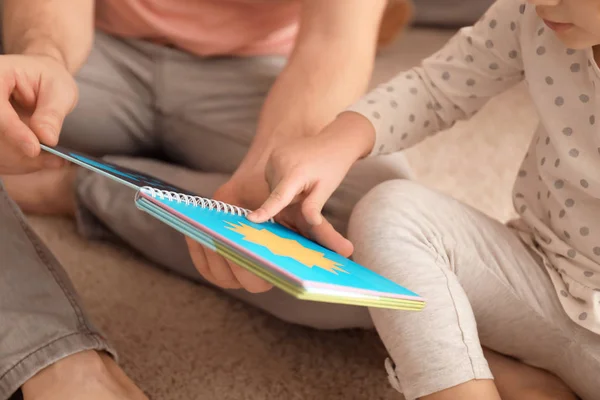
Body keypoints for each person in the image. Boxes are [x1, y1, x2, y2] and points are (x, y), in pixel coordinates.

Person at [0, 0, 420, 399]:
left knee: (392, 246)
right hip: (95, 52)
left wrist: (263, 175)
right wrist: (44, 56)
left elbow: (334, 38)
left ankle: (80, 188)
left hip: (258, 75)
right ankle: (56, 360)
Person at [246, 0, 600, 399]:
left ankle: (513, 372)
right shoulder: (532, 14)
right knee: (391, 212)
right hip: (540, 276)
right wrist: (335, 143)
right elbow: (436, 87)